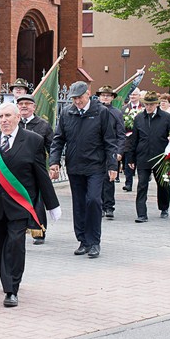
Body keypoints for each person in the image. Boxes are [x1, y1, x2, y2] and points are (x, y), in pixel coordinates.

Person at [0, 101, 60, 307]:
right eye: (1, 117)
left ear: (18, 118)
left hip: (20, 205)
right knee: (0, 246)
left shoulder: (33, 141)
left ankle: (12, 289)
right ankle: (6, 281)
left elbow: (41, 175)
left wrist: (52, 205)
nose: (4, 120)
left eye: (8, 116)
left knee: (16, 245)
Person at [49, 81, 121, 259]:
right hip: (75, 166)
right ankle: (83, 240)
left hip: (96, 166)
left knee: (94, 201)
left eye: (80, 98)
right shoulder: (67, 112)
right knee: (79, 204)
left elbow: (110, 141)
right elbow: (58, 139)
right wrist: (54, 161)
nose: (77, 102)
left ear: (88, 94)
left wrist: (113, 165)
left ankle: (94, 241)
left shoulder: (102, 112)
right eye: (74, 99)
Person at [129, 91, 170, 222]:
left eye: (151, 105)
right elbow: (134, 139)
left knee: (163, 184)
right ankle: (141, 214)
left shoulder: (166, 117)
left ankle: (164, 207)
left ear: (156, 104)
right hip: (143, 156)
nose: (149, 107)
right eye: (146, 104)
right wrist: (131, 158)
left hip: (160, 156)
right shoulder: (139, 118)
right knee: (142, 185)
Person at [16, 92, 53, 245]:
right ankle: (20, 227)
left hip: (36, 170)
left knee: (37, 201)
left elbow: (51, 147)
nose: (24, 106)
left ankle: (39, 231)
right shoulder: (14, 123)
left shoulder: (43, 125)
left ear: (34, 107)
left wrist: (53, 166)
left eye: (27, 104)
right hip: (16, 170)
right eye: (21, 104)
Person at [95, 86, 126, 220]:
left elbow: (121, 134)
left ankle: (109, 206)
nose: (105, 97)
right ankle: (100, 205)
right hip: (96, 150)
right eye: (103, 95)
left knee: (109, 179)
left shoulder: (116, 113)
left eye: (108, 95)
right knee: (97, 178)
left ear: (113, 97)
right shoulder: (95, 110)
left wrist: (119, 151)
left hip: (111, 149)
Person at [121, 90, 143, 191]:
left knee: (141, 161)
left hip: (141, 139)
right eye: (131, 94)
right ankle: (128, 183)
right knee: (128, 161)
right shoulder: (124, 109)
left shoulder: (143, 108)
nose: (132, 96)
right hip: (129, 139)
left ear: (139, 96)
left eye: (135, 94)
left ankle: (142, 182)